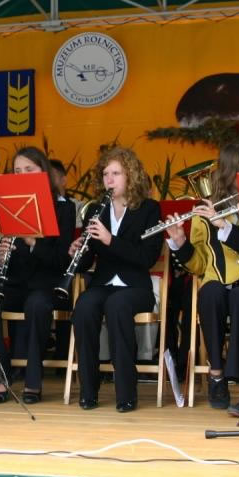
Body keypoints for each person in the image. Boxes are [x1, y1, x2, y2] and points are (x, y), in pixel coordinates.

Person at [163, 143, 239, 416]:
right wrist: (180, 243)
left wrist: (226, 227)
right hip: (221, 285)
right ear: (230, 174)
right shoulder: (205, 212)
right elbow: (199, 265)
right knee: (210, 292)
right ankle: (216, 375)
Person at [0, 147, 75, 404]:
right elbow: (7, 262)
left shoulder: (63, 208)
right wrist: (1, 255)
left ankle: (33, 379)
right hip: (16, 283)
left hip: (47, 284)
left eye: (29, 169)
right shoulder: (6, 205)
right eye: (17, 171)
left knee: (37, 303)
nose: (22, 175)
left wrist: (32, 242)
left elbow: (61, 260)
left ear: (43, 172)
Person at [70, 146, 162, 413]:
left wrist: (111, 240)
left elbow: (147, 257)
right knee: (84, 306)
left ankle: (126, 392)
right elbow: (88, 261)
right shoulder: (95, 210)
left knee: (117, 305)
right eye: (105, 174)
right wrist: (77, 252)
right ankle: (88, 390)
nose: (109, 179)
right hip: (104, 284)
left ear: (130, 175)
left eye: (116, 173)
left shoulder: (148, 209)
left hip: (136, 287)